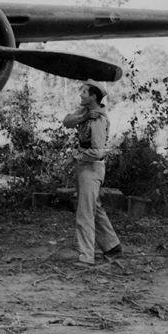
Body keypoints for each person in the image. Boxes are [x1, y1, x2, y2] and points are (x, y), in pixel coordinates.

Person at [63, 80, 122, 265]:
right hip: (86, 169)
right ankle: (112, 246)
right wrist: (84, 117)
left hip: (92, 168)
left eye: (84, 92)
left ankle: (87, 257)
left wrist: (77, 156)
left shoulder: (98, 120)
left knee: (84, 213)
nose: (81, 94)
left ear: (93, 96)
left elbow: (98, 152)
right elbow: (66, 121)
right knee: (93, 208)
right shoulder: (86, 113)